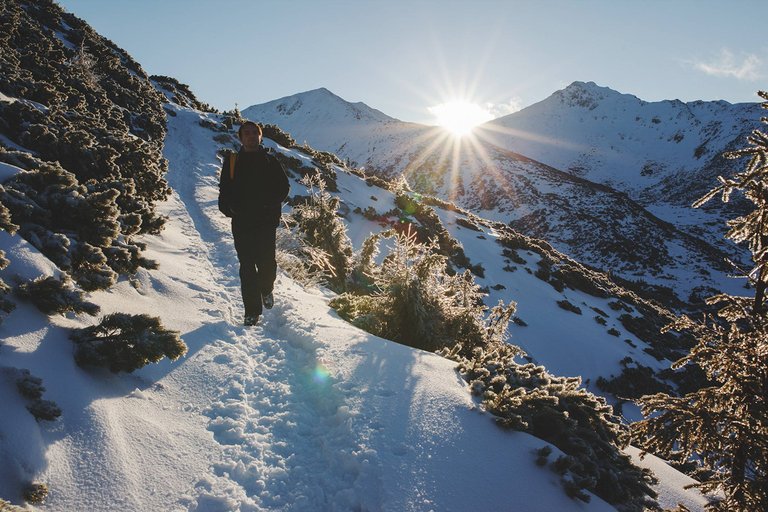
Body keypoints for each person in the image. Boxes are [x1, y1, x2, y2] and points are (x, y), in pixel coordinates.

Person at [218, 121, 290, 325]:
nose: (250, 136)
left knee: (267, 263)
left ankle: (266, 289)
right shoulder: (232, 161)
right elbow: (225, 189)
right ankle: (252, 311)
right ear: (240, 138)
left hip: (266, 223)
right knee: (247, 266)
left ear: (260, 137)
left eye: (254, 133)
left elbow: (284, 187)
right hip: (242, 223)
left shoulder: (270, 161)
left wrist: (270, 205)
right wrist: (228, 208)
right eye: (246, 133)